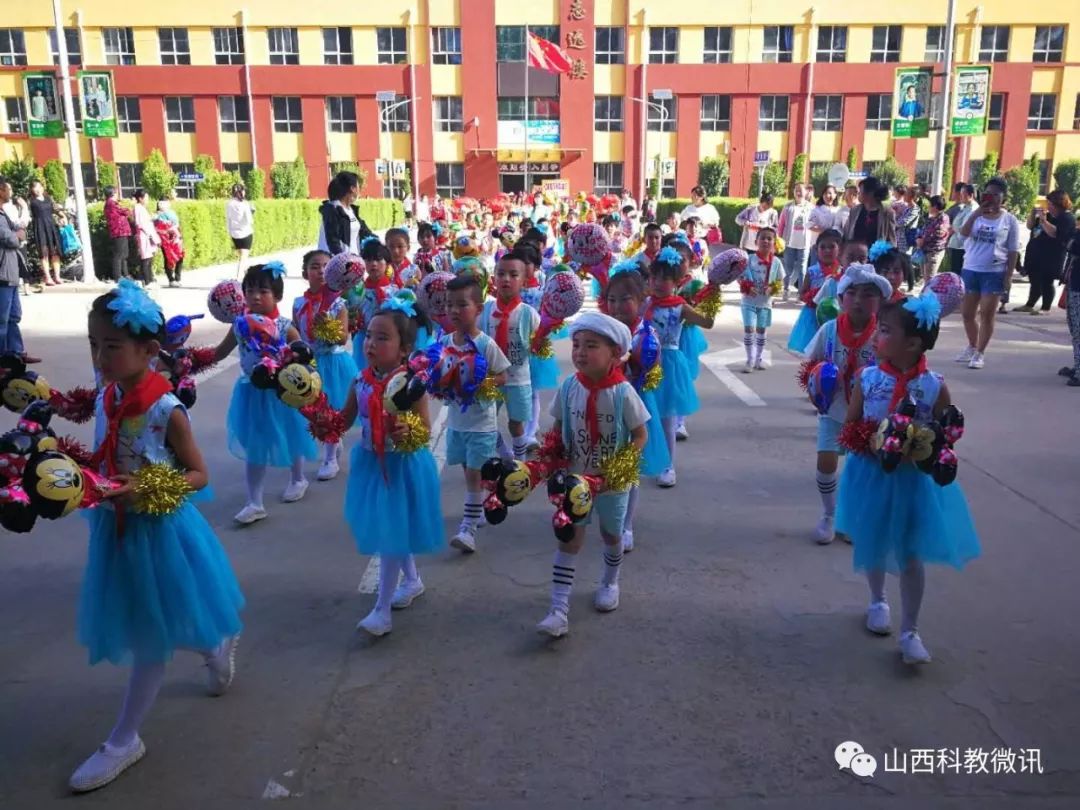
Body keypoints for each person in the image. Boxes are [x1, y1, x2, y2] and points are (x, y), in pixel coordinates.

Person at [70, 280, 243, 792]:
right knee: (160, 615)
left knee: (150, 629)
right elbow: (103, 450)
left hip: (160, 530)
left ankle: (125, 738)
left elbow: (198, 475)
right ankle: (214, 645)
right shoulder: (108, 396)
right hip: (117, 528)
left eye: (112, 346)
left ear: (149, 351)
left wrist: (145, 485)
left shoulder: (166, 410)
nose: (100, 356)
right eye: (94, 343)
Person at [836, 295, 981, 664]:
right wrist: (871, 439)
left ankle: (911, 629)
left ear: (913, 343)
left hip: (914, 482)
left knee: (911, 553)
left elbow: (947, 430)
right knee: (873, 540)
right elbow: (850, 425)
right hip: (872, 476)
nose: (876, 336)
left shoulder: (934, 386)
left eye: (884, 331)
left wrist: (930, 445)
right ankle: (877, 600)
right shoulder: (867, 379)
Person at [537, 312, 649, 638]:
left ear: (615, 355)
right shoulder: (570, 386)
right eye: (576, 345)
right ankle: (558, 609)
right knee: (569, 538)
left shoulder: (622, 392)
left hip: (613, 483)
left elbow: (641, 434)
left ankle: (610, 582)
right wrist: (553, 454)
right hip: (575, 480)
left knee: (612, 535)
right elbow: (558, 426)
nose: (580, 352)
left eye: (591, 345)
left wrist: (625, 465)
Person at [341, 295, 445, 636]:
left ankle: (382, 610)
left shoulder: (411, 384)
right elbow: (342, 420)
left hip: (402, 466)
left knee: (390, 533)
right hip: (372, 464)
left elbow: (425, 429)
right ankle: (412, 580)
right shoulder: (360, 380)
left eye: (383, 337)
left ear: (404, 349)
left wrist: (407, 429)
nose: (371, 343)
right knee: (392, 528)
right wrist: (311, 407)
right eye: (369, 335)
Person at [213, 262, 318, 524]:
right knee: (255, 445)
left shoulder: (284, 326)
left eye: (263, 291)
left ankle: (298, 477)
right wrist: (190, 361)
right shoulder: (239, 325)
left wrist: (292, 361)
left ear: (277, 296)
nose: (256, 296)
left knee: (290, 433)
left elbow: (303, 356)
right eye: (250, 291)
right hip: (250, 393)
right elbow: (220, 352)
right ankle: (255, 501)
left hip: (281, 393)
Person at [801, 263, 890, 544]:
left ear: (880, 301)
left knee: (859, 469)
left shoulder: (883, 334)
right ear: (840, 298)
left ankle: (851, 516)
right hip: (835, 409)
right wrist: (815, 385)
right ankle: (829, 513)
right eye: (852, 293)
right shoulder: (829, 330)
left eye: (868, 294)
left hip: (868, 417)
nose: (859, 301)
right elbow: (811, 362)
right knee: (826, 461)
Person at [441, 274, 510, 553]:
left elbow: (503, 376)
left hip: (481, 422)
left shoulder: (485, 345)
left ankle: (467, 529)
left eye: (462, 305)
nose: (455, 311)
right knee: (466, 468)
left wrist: (478, 384)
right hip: (457, 422)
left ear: (479, 309)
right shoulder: (445, 340)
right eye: (450, 305)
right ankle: (480, 501)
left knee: (473, 473)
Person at [605, 267, 670, 552]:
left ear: (642, 298)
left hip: (636, 404)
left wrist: (635, 366)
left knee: (629, 468)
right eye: (612, 299)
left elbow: (654, 370)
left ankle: (626, 524)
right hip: (606, 404)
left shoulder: (647, 333)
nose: (618, 307)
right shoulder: (604, 331)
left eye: (625, 299)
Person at [647, 246, 715, 487]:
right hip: (644, 365)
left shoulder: (680, 306)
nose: (658, 283)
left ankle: (668, 465)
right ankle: (643, 460)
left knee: (666, 418)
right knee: (643, 415)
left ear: (677, 282)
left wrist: (713, 295)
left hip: (669, 365)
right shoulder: (645, 303)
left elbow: (707, 322)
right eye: (655, 277)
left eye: (665, 278)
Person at [292, 249, 357, 481]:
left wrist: (327, 325)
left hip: (333, 362)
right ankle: (332, 444)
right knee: (312, 409)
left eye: (326, 267)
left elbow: (342, 338)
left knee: (330, 408)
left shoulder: (338, 304)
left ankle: (330, 457)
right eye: (314, 266)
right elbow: (295, 334)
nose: (320, 271)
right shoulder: (298, 302)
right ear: (305, 273)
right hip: (310, 363)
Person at [480, 249, 540, 462]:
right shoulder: (485, 310)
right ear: (493, 278)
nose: (506, 279)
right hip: (490, 378)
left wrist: (540, 342)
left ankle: (520, 460)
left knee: (516, 423)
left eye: (514, 275)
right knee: (486, 421)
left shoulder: (528, 313)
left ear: (524, 281)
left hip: (518, 379)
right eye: (501, 274)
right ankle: (503, 453)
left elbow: (539, 344)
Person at [955, 177, 1021, 369]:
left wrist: (1008, 276)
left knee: (987, 314)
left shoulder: (1009, 220)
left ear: (1003, 197)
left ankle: (980, 352)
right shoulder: (975, 215)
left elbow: (1012, 250)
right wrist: (976, 213)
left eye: (995, 194)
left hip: (994, 272)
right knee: (967, 313)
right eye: (988, 193)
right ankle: (971, 345)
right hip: (971, 269)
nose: (991, 198)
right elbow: (963, 234)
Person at [1016, 190, 1076, 315]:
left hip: (1051, 257)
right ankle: (1030, 304)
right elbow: (1030, 226)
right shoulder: (1047, 215)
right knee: (1035, 279)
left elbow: (1054, 233)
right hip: (1036, 254)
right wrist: (1033, 214)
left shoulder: (1066, 218)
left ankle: (1045, 307)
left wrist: (1043, 220)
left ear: (1059, 204)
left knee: (1046, 281)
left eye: (1051, 204)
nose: (1048, 206)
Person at [347, 237, 400, 370]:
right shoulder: (357, 289)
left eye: (378, 259)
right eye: (369, 260)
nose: (373, 264)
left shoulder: (394, 290)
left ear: (387, 263)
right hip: (363, 339)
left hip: (386, 339)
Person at [787, 228, 843, 353]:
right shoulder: (812, 271)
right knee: (815, 349)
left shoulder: (842, 271)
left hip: (836, 316)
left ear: (840, 249)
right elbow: (802, 294)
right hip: (815, 315)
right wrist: (811, 296)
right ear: (816, 250)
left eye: (831, 247)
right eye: (822, 247)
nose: (827, 250)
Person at [738, 227, 784, 373]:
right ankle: (749, 359)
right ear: (756, 241)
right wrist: (746, 286)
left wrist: (773, 289)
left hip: (765, 303)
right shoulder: (749, 260)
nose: (766, 241)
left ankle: (758, 358)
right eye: (763, 238)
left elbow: (780, 281)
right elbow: (740, 277)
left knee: (761, 330)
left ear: (774, 243)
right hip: (749, 302)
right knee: (749, 329)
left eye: (769, 239)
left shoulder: (776, 262)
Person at [0, 177, 36, 359]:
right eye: (9, 189)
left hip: (11, 272)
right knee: (2, 319)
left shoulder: (4, 213)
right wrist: (18, 236)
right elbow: (11, 238)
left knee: (14, 316)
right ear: (1, 190)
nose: (11, 192)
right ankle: (3, 358)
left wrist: (23, 212)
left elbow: (20, 228)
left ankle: (16, 353)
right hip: (2, 273)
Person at [318, 171, 373, 257]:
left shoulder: (351, 210)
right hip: (338, 263)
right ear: (353, 188)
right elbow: (333, 241)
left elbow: (365, 232)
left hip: (353, 261)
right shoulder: (333, 209)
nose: (360, 190)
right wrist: (344, 261)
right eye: (358, 186)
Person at [778, 183, 813, 297]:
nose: (798, 192)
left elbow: (814, 223)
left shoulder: (811, 207)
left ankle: (801, 292)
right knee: (788, 268)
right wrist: (778, 239)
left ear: (806, 192)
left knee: (803, 269)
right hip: (789, 243)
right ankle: (786, 289)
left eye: (801, 190)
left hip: (804, 243)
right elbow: (781, 224)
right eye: (796, 190)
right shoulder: (788, 207)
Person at [28, 179, 63, 286]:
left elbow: (55, 209)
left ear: (43, 187)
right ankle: (48, 277)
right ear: (31, 190)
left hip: (51, 227)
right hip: (40, 228)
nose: (37, 189)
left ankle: (57, 276)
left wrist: (63, 216)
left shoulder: (48, 199)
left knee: (55, 253)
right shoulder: (31, 201)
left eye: (39, 187)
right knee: (44, 254)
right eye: (35, 187)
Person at [843, 176, 897, 247]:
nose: (858, 194)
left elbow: (891, 240)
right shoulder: (854, 210)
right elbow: (847, 234)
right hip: (856, 255)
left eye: (860, 191)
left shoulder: (887, 213)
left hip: (877, 256)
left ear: (871, 193)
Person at [914, 195, 950, 283]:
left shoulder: (943, 218)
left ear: (935, 207)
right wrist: (918, 238)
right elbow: (922, 230)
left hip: (933, 252)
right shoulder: (931, 218)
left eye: (930, 205)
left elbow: (937, 233)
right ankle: (925, 295)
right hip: (924, 251)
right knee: (925, 277)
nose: (929, 207)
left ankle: (928, 296)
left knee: (929, 279)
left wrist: (923, 239)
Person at [102, 186, 131, 284]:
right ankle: (118, 276)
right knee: (119, 255)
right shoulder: (111, 203)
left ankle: (125, 274)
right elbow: (125, 211)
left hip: (121, 231)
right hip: (119, 231)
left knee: (124, 254)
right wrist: (128, 209)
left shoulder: (110, 203)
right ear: (113, 193)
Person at [131, 189, 159, 287]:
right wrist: (149, 234)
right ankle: (147, 281)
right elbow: (140, 223)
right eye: (146, 198)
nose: (147, 200)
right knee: (145, 259)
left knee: (149, 258)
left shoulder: (142, 208)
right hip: (144, 236)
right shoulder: (137, 207)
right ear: (140, 198)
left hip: (148, 235)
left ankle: (149, 279)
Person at [946, 183, 977, 275]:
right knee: (953, 272)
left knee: (957, 274)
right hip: (956, 244)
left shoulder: (973, 209)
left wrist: (954, 228)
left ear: (970, 195)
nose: (961, 197)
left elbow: (965, 228)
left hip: (962, 247)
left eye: (963, 195)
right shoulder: (965, 207)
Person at [153, 199, 185, 287]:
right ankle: (171, 279)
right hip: (165, 240)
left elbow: (177, 224)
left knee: (180, 256)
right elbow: (157, 228)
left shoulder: (171, 212)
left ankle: (177, 278)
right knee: (168, 258)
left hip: (176, 238)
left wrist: (176, 232)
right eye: (162, 203)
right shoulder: (156, 216)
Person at [225, 184, 254, 277]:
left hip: (234, 234)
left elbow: (228, 219)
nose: (244, 192)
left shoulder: (229, 204)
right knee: (244, 257)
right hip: (246, 233)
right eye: (243, 190)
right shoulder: (245, 204)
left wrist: (230, 231)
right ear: (240, 192)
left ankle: (247, 276)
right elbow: (250, 221)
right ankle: (238, 278)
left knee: (242, 257)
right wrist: (252, 212)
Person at [1063, 237, 1080, 386]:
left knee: (1078, 329)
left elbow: (1072, 246)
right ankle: (1077, 365)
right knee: (1074, 327)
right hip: (1074, 282)